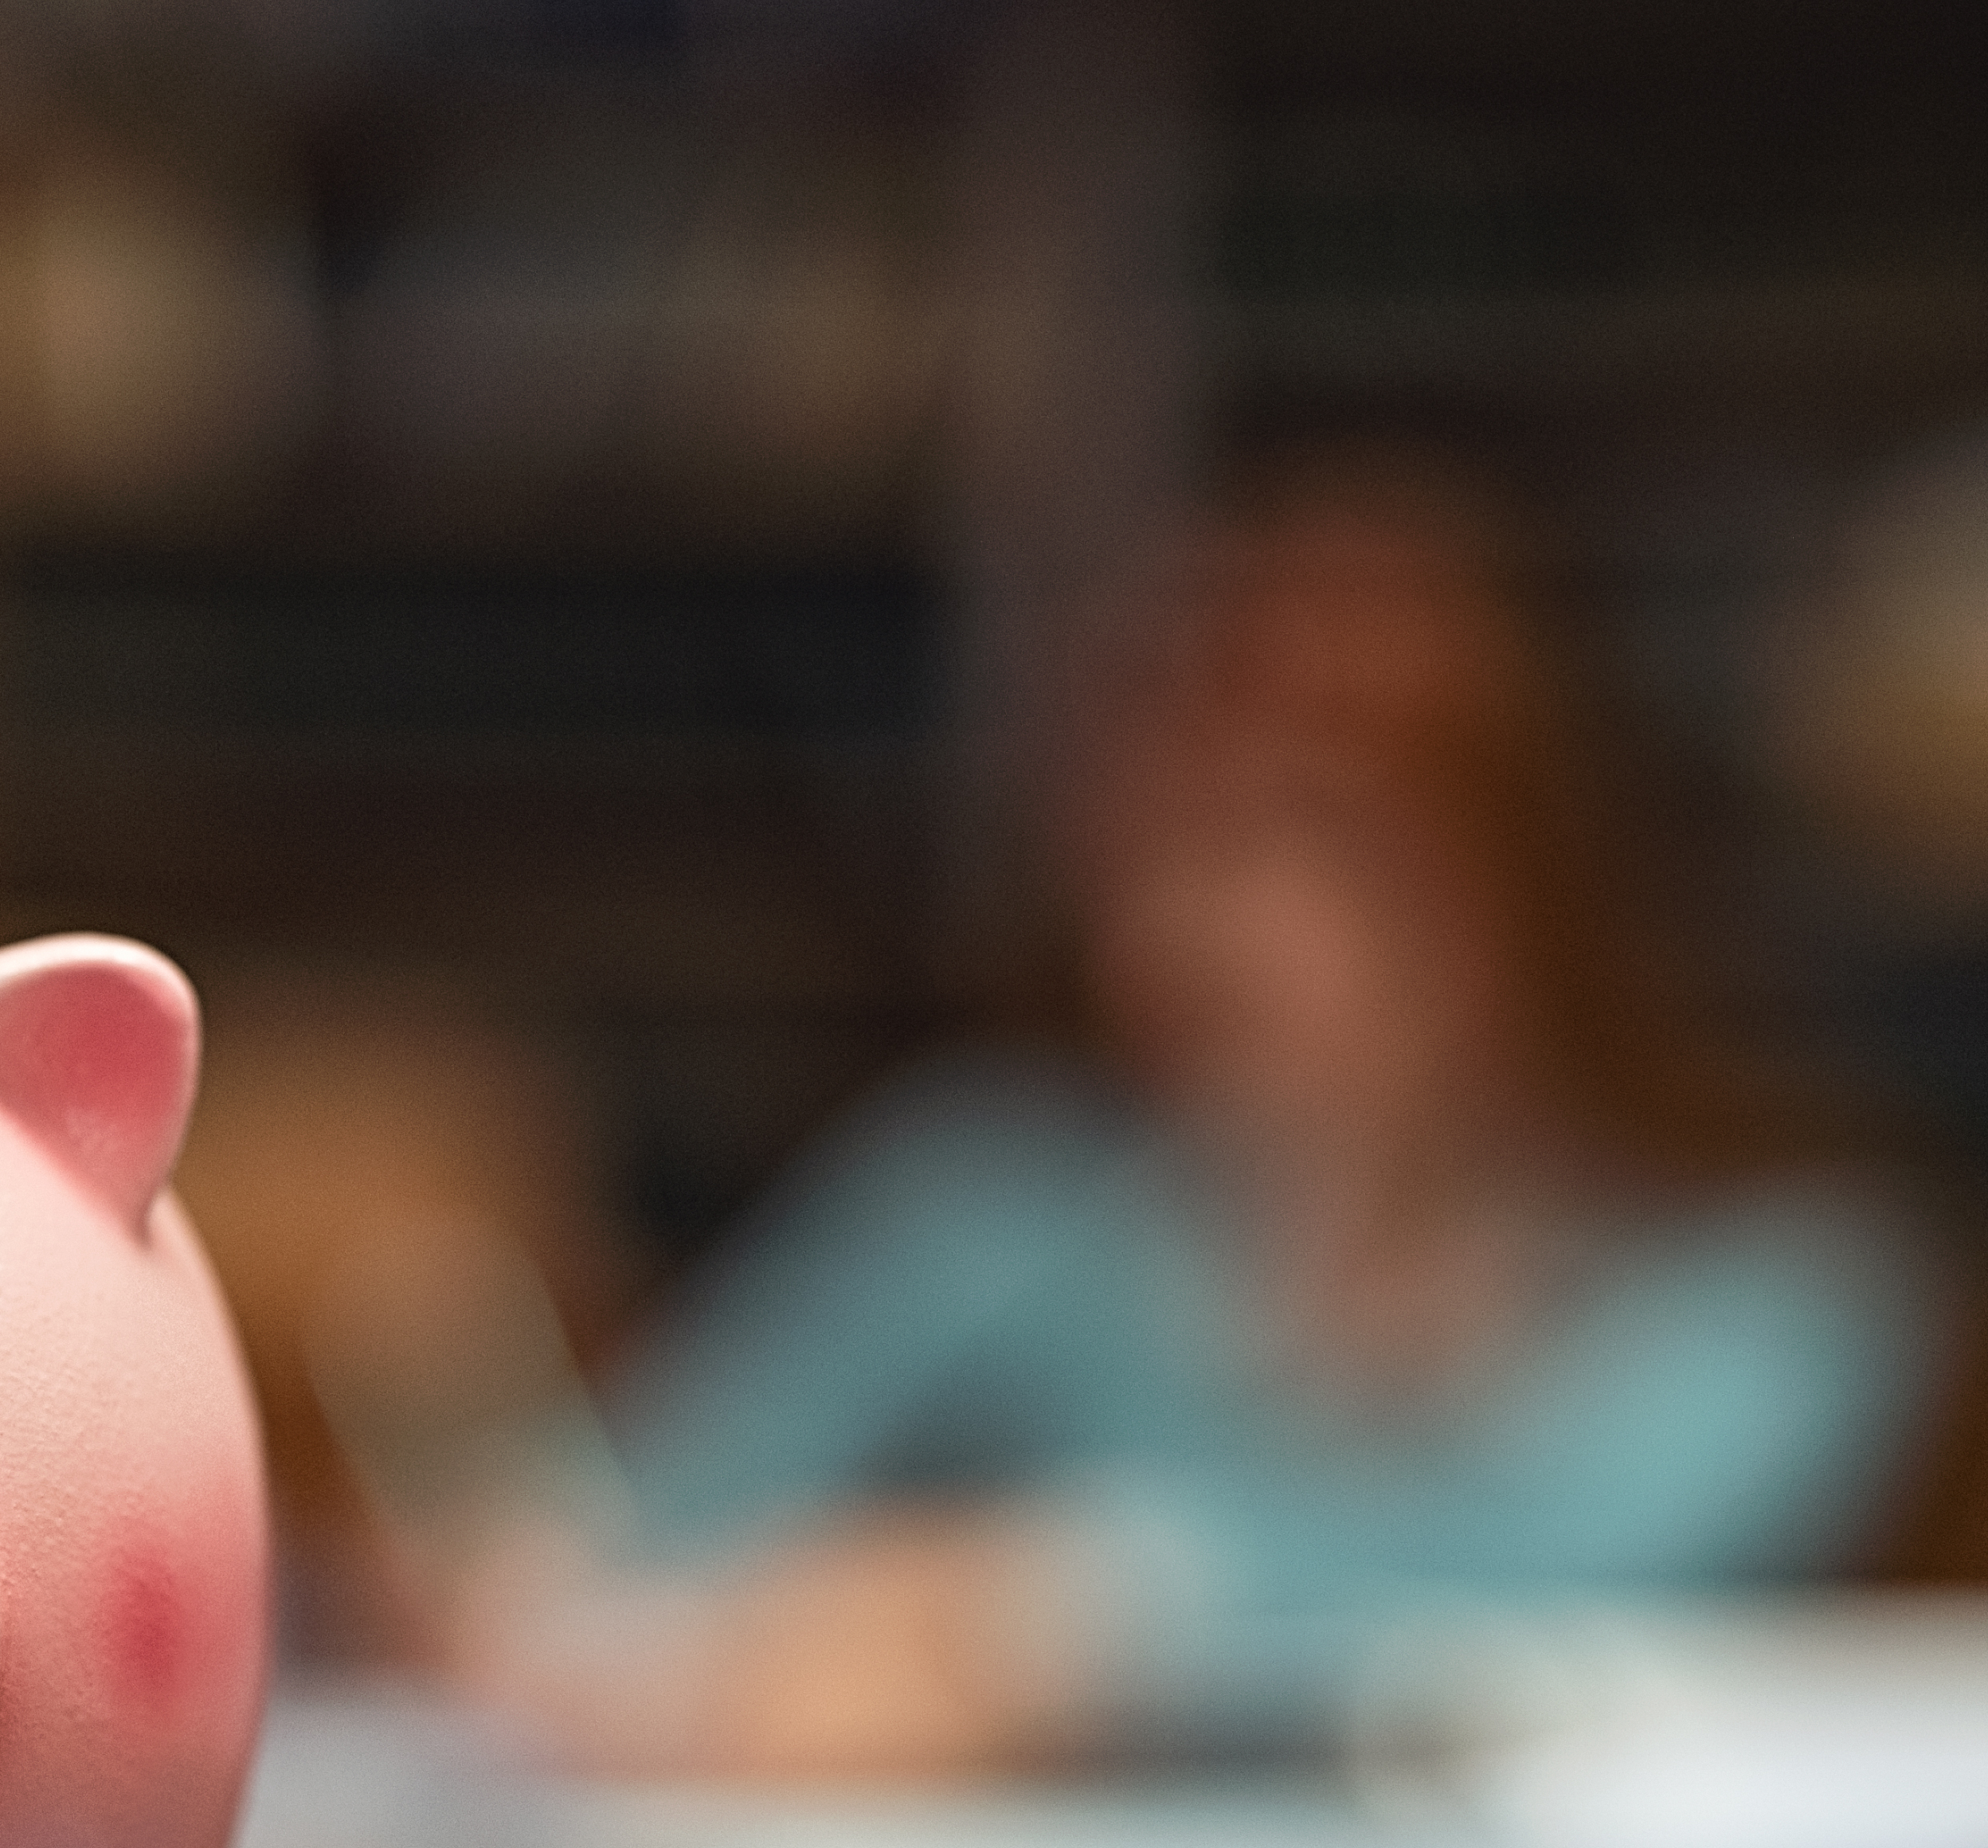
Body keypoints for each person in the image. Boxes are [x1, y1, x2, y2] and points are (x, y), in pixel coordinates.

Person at [468, 466, 1951, 1780]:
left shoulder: (1782, 1297)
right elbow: (637, 1536)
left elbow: (1550, 1595)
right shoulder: (996, 1205)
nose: (1199, 932)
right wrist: (606, 1618)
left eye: (1303, 845)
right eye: (1153, 853)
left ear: (1515, 877)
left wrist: (1054, 1616)